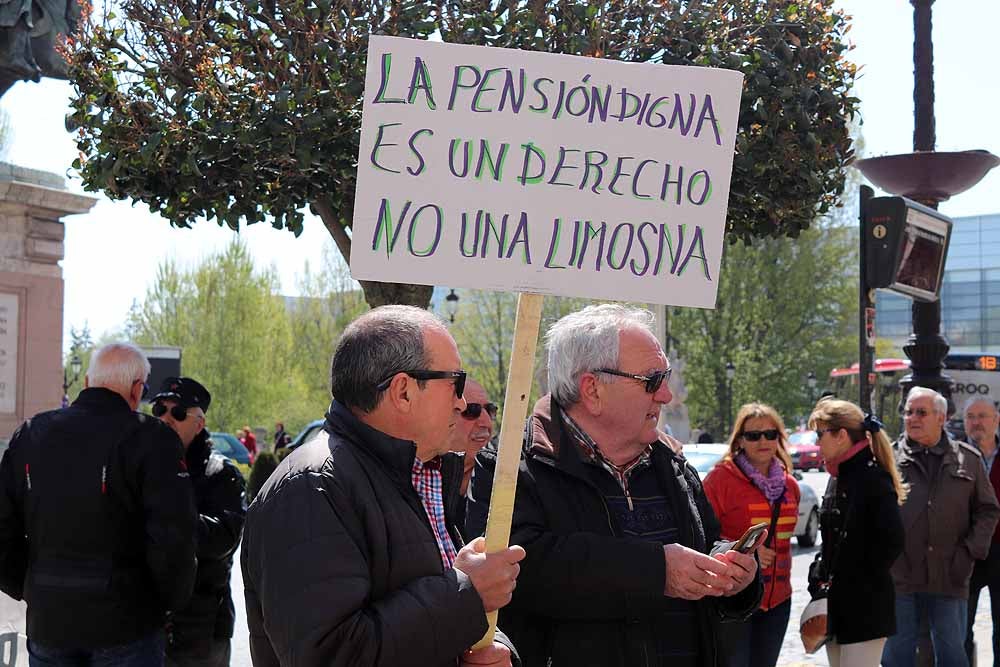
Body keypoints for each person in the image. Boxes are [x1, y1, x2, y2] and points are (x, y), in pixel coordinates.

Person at [468, 304, 762, 666]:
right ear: (592, 389)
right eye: (652, 381)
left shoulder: (670, 461)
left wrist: (729, 570)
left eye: (666, 378)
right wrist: (657, 571)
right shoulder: (510, 466)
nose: (667, 395)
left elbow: (702, 543)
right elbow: (522, 572)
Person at [241, 305, 525, 667]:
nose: (462, 402)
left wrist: (493, 651)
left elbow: (440, 608)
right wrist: (467, 594)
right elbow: (331, 656)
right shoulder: (311, 488)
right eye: (454, 382)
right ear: (403, 391)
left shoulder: (414, 473)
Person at [0, 343, 197, 666]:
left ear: (88, 382)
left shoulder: (31, 435)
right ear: (137, 390)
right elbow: (174, 539)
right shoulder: (152, 438)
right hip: (127, 625)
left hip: (51, 621)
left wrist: (33, 587)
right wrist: (165, 602)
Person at [882, 387, 1000, 667]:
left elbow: (988, 510)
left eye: (921, 412)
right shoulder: (888, 459)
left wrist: (970, 552)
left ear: (941, 417)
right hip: (900, 579)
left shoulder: (967, 459)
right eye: (908, 412)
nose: (912, 418)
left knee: (952, 656)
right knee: (896, 657)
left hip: (950, 577)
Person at [151, 377, 246, 667]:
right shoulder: (143, 465)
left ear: (199, 423)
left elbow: (224, 538)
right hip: (144, 626)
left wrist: (168, 522)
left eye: (178, 413)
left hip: (200, 631)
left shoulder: (220, 473)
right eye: (159, 410)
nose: (166, 419)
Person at [807, 398, 905, 667]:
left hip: (866, 608)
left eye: (820, 434)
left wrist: (852, 579)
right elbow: (831, 539)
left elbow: (892, 541)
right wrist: (819, 571)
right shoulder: (836, 476)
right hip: (835, 605)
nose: (817, 442)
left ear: (840, 436)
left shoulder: (873, 478)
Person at [703, 403, 801, 667]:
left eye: (770, 434)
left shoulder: (790, 485)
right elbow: (700, 535)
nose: (763, 441)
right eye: (753, 435)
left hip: (778, 600)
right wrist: (744, 550)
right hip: (735, 597)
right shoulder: (720, 480)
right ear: (740, 440)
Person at [963, 396, 1000, 666]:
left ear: (996, 420)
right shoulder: (955, 457)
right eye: (970, 417)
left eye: (982, 416)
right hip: (966, 553)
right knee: (958, 628)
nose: (976, 423)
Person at [449, 378, 496, 540]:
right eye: (472, 411)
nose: (486, 422)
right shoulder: (417, 482)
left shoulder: (505, 483)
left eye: (490, 410)